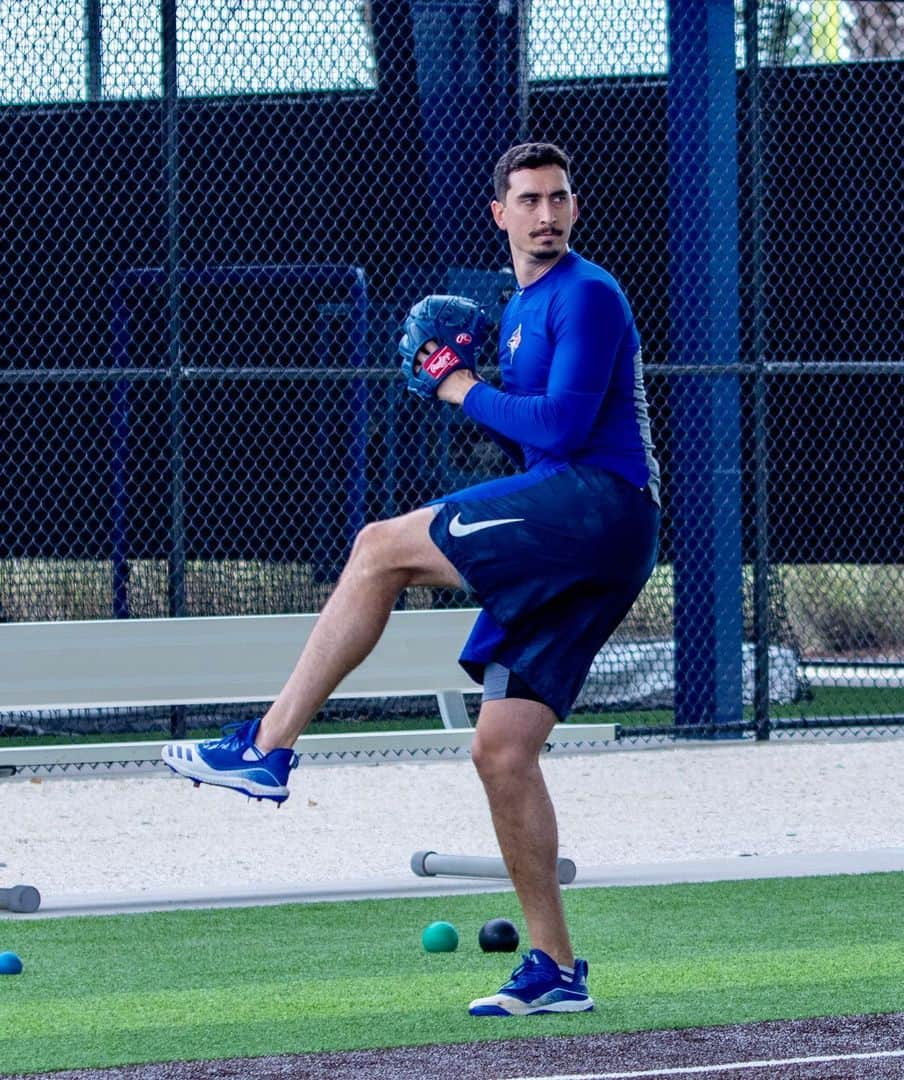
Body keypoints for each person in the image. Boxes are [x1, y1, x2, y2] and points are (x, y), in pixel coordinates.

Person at [161, 142, 661, 1017]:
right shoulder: (518, 311)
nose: (547, 214)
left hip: (599, 508)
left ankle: (266, 747)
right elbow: (532, 437)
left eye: (559, 198)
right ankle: (555, 969)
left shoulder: (588, 293)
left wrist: (461, 386)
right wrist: (471, 383)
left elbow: (570, 425)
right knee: (502, 752)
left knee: (378, 547)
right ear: (498, 214)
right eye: (529, 200)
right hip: (587, 526)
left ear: (575, 209)